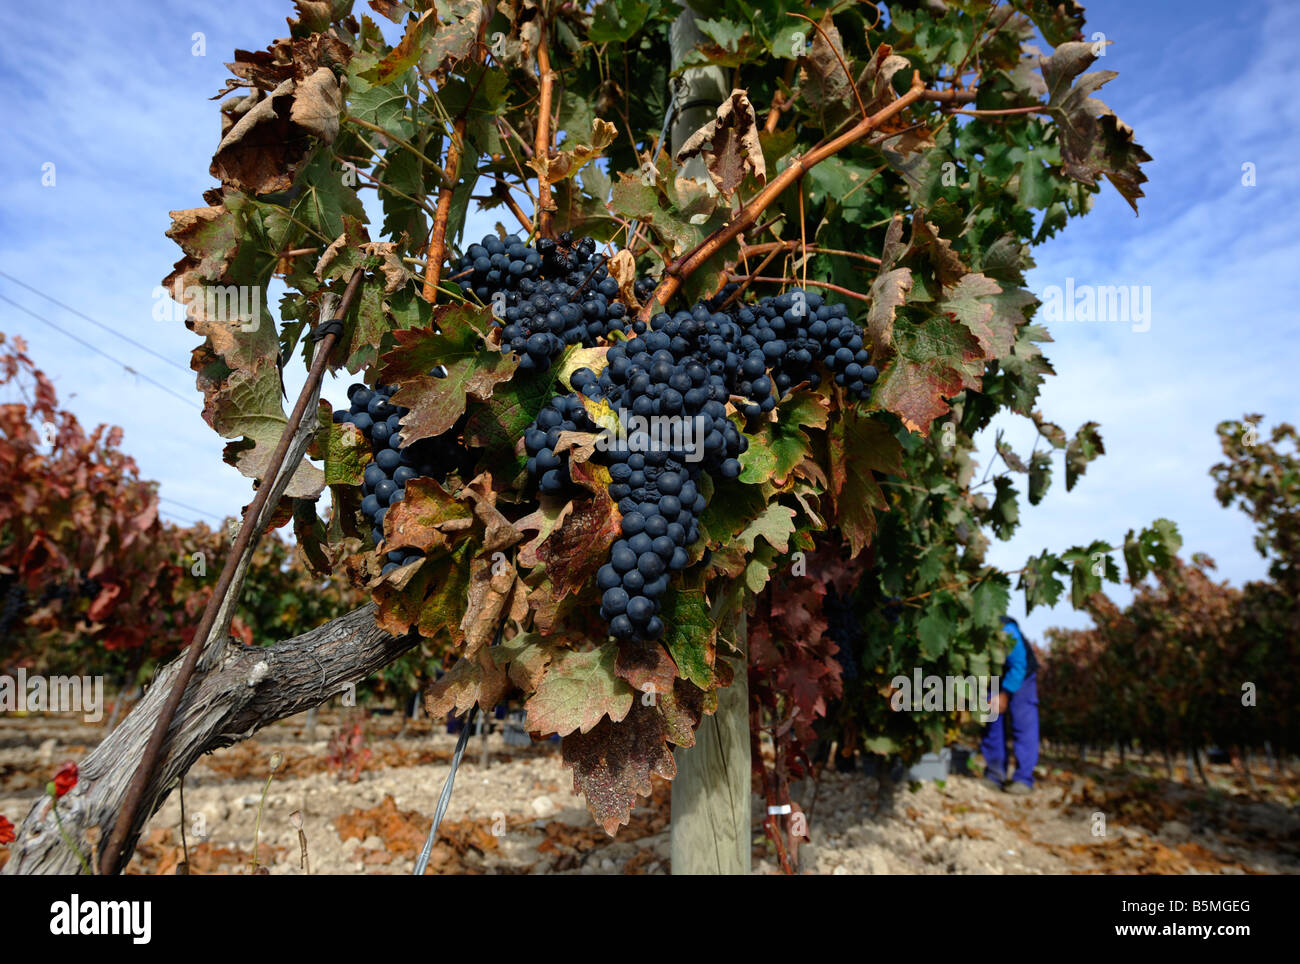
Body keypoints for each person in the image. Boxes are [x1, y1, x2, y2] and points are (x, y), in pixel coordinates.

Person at [980, 616, 1039, 794]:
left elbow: (1019, 665)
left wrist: (1005, 693)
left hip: (1021, 674)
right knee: (992, 719)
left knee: (1023, 725)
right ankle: (994, 774)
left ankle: (1023, 779)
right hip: (993, 676)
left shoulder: (1006, 630)